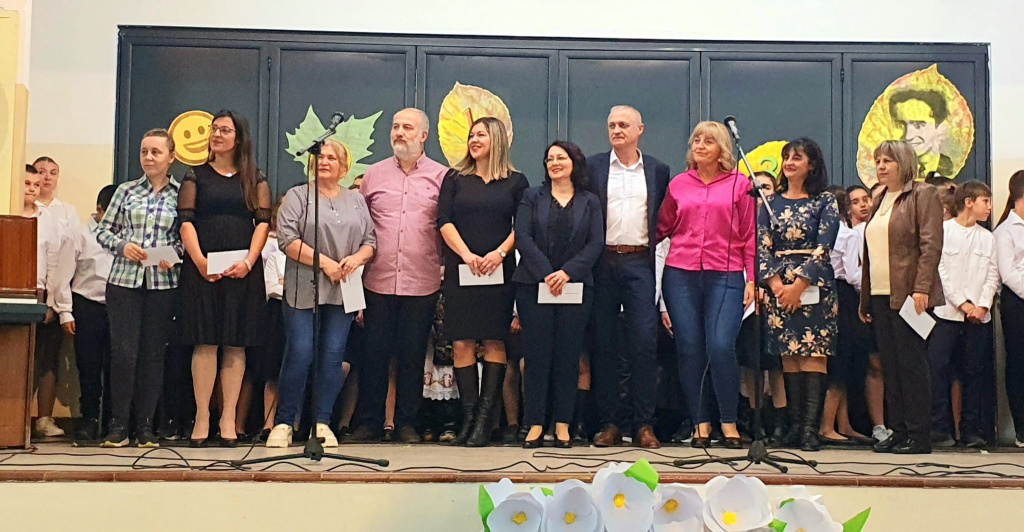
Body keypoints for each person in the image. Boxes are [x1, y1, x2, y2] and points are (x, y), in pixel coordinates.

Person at [265, 139, 376, 448]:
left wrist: (357, 258)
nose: (324, 162)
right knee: (300, 351)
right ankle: (284, 422)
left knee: (333, 356)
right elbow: (287, 239)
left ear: (344, 167)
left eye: (331, 158)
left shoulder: (356, 200)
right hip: (304, 286)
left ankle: (322, 422)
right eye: (320, 157)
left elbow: (370, 241)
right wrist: (325, 263)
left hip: (343, 288)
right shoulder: (298, 196)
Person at [347, 108, 448, 444]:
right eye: (395, 127)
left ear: (424, 136)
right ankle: (370, 423)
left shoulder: (442, 177)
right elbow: (359, 229)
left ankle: (407, 424)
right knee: (374, 355)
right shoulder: (373, 175)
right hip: (377, 278)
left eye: (407, 127)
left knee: (412, 356)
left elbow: (447, 227)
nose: (399, 133)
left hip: (422, 280)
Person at [657, 121, 754, 449]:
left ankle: (728, 421)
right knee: (689, 348)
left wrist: (752, 279)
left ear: (722, 149)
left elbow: (750, 235)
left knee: (720, 345)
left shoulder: (740, 184)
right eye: (696, 140)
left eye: (708, 141)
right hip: (680, 274)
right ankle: (701, 423)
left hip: (726, 274)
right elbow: (662, 228)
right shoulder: (678, 184)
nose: (699, 145)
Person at [178, 110, 271, 447]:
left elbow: (263, 222)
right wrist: (200, 261)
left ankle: (228, 417)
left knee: (235, 342)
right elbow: (186, 221)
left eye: (224, 130)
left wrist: (249, 261)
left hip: (242, 269)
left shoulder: (254, 178)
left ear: (238, 138)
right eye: (214, 129)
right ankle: (203, 415)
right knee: (205, 341)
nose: (216, 134)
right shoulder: (195, 175)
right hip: (203, 267)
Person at [438, 116, 529, 447]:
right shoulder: (455, 178)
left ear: (497, 140)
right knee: (462, 341)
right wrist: (465, 254)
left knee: (494, 340)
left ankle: (484, 422)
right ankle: (469, 419)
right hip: (462, 267)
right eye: (471, 135)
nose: (474, 140)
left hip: (498, 270)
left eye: (481, 135)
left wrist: (500, 253)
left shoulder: (516, 182)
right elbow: (444, 221)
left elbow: (523, 226)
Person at [587, 105, 671, 449]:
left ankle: (644, 424)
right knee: (604, 343)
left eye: (624, 125)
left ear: (640, 130)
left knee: (644, 343)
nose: (617, 130)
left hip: (640, 262)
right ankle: (610, 423)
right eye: (612, 125)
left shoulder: (658, 170)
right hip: (602, 261)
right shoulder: (593, 167)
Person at [94, 129, 182, 447]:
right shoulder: (126, 191)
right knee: (123, 354)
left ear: (171, 157)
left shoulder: (181, 194)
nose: (148, 157)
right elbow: (103, 230)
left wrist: (174, 255)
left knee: (152, 355)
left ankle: (145, 426)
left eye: (156, 152)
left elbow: (187, 239)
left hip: (162, 283)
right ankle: (119, 425)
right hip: (124, 282)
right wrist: (122, 246)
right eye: (144, 151)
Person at [513, 141, 604, 448]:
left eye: (560, 158)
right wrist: (547, 274)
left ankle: (563, 424)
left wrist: (566, 273)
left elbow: (595, 243)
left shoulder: (590, 201)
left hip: (575, 287)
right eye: (549, 158)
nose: (554, 163)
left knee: (568, 356)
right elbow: (522, 237)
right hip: (533, 286)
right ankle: (535, 423)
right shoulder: (531, 197)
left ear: (574, 163)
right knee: (536, 357)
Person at [860, 139, 944, 455]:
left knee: (912, 366)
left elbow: (930, 245)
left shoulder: (923, 194)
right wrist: (866, 298)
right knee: (890, 366)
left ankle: (919, 435)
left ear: (904, 162)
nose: (881, 166)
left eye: (888, 160)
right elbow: (871, 252)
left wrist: (921, 288)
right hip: (880, 294)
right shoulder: (880, 198)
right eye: (878, 161)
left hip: (909, 294)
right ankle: (899, 431)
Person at [759, 138, 840, 452]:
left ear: (812, 165)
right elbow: (762, 247)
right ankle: (794, 427)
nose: (789, 163)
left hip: (814, 287)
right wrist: (777, 285)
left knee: (813, 355)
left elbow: (824, 246)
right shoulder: (770, 203)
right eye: (787, 157)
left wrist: (799, 285)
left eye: (797, 157)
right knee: (789, 357)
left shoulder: (825, 201)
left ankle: (809, 430)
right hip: (779, 287)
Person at [931, 180, 997, 448]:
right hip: (947, 312)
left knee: (974, 371)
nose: (989, 207)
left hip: (979, 316)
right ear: (969, 202)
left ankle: (971, 429)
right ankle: (940, 427)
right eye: (985, 201)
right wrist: (962, 303)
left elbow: (992, 274)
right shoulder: (944, 231)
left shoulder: (988, 238)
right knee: (937, 367)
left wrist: (982, 305)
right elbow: (941, 271)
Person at [820, 185, 876, 447]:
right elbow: (853, 274)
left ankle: (841, 424)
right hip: (844, 295)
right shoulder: (848, 234)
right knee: (843, 361)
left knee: (831, 359)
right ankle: (828, 425)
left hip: (821, 293)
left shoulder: (820, 233)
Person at [22, 165, 72, 438]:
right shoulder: (8, 213)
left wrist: (52, 302)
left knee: (46, 357)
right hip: (13, 293)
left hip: (41, 293)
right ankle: (13, 419)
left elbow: (55, 262)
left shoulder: (48, 218)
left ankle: (43, 419)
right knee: (16, 358)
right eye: (26, 183)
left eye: (35, 184)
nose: (32, 188)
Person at [68, 184, 117, 442]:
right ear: (99, 210)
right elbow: (64, 274)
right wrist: (65, 312)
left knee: (116, 367)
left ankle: (112, 420)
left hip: (118, 306)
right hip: (87, 304)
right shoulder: (81, 235)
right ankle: (89, 419)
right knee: (89, 366)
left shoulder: (126, 236)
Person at [249, 195, 287, 443]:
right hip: (275, 314)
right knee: (272, 371)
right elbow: (271, 287)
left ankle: (292, 422)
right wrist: (288, 285)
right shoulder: (275, 254)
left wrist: (286, 283)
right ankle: (268, 423)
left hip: (302, 313)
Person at [993, 170, 1024, 448]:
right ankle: (1021, 428)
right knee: (1019, 363)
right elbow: (1008, 273)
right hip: (1017, 303)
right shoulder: (1005, 231)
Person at [33, 156, 82, 230]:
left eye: (53, 173)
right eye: (41, 172)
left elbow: (75, 236)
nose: (48, 177)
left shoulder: (68, 210)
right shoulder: (25, 208)